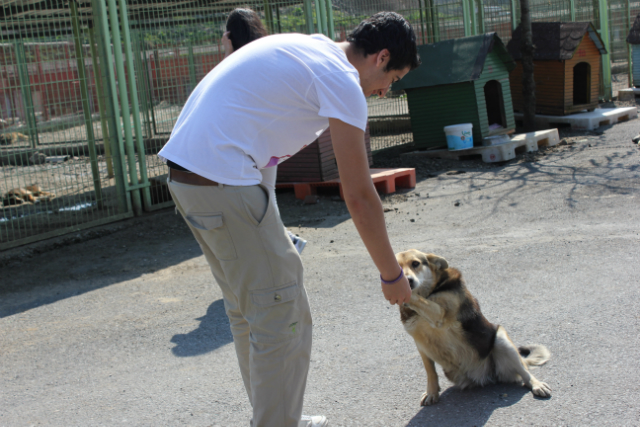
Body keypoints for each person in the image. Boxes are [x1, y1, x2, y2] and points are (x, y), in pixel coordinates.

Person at [158, 11, 420, 427]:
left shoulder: (311, 48)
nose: (386, 91)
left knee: (251, 312)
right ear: (382, 57)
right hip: (222, 181)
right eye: (394, 79)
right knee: (282, 314)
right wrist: (391, 274)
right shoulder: (341, 81)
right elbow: (358, 194)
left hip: (190, 179)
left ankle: (280, 419)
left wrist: (269, 223)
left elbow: (260, 137)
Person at [220, 8, 308, 253]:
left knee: (253, 207)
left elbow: (223, 89)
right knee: (267, 200)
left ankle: (287, 247)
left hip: (244, 146)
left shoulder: (235, 63)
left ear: (230, 35)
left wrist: (227, 52)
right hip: (270, 142)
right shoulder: (268, 57)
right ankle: (288, 244)